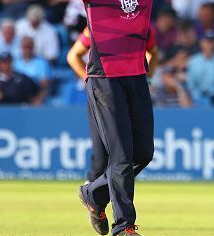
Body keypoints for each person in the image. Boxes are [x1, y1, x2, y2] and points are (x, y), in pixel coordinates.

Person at [52, 0, 214, 236]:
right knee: (122, 156)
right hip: (105, 78)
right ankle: (123, 228)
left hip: (136, 76)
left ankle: (94, 193)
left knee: (144, 152)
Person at [67, 25, 158, 182]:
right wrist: (90, 80)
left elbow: (153, 52)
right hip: (104, 94)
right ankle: (94, 195)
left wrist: (147, 78)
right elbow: (73, 56)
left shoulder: (142, 25)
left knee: (129, 154)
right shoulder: (96, 24)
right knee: (101, 158)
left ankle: (96, 193)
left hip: (131, 93)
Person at [186, 31, 214, 105]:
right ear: (201, 43)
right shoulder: (193, 61)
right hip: (197, 99)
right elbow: (191, 83)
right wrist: (197, 97)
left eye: (213, 41)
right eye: (208, 41)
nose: (210, 44)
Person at [13, 37, 51, 106]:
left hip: (35, 93)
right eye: (25, 47)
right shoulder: (15, 63)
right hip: (18, 95)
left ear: (33, 48)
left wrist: (38, 98)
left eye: (29, 47)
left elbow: (45, 84)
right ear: (21, 48)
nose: (27, 50)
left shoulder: (42, 63)